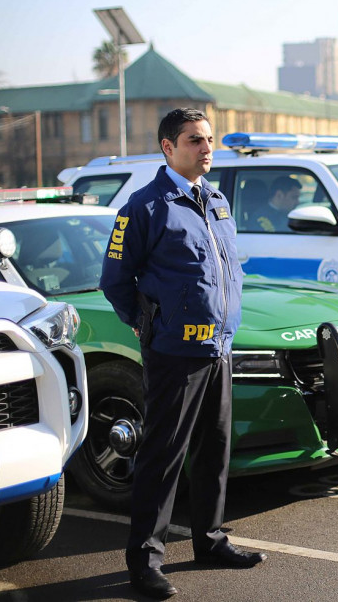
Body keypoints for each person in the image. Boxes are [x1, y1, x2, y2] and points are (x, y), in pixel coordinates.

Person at [100, 108, 265, 600]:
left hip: (218, 347)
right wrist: (150, 324)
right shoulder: (145, 207)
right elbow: (116, 282)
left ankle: (210, 540)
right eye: (195, 140)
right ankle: (145, 562)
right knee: (163, 456)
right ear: (168, 148)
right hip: (175, 350)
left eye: (209, 139)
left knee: (214, 451)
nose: (207, 147)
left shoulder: (215, 199)